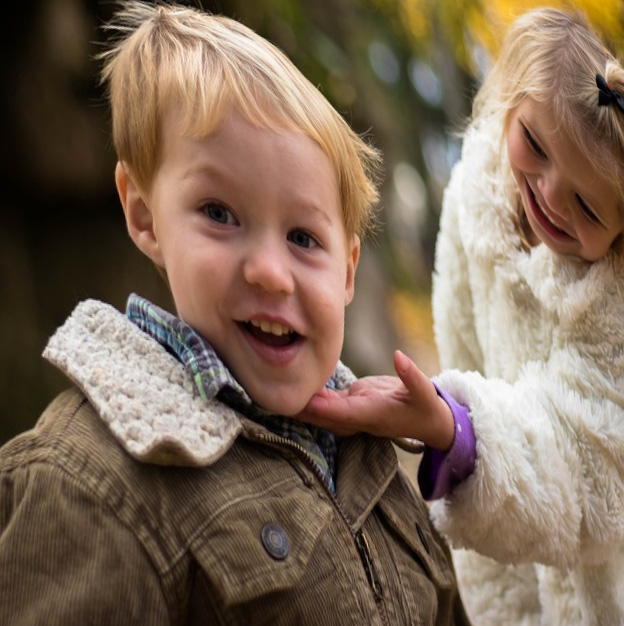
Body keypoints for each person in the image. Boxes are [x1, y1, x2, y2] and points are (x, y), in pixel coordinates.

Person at [0, 2, 471, 624]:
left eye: (304, 238)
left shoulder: (370, 451)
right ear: (145, 216)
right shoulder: (90, 480)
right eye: (220, 214)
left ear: (349, 270)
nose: (271, 272)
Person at [300, 7, 624, 626]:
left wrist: (460, 430)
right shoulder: (478, 204)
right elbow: (465, 348)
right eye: (535, 143)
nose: (551, 196)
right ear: (509, 102)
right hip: (502, 581)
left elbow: (593, 465)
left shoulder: (614, 296)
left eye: (587, 204)